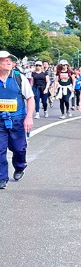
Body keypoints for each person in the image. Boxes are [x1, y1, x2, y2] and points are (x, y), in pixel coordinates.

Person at [0, 50, 35, 189]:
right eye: (5, 60)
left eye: (10, 60)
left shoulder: (19, 78)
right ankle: (2, 178)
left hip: (17, 119)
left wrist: (29, 117)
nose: (9, 62)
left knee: (19, 148)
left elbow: (30, 98)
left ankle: (20, 166)